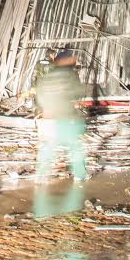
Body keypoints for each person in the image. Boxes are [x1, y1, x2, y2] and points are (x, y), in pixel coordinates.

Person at [33, 48, 88, 183]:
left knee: (48, 146)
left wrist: (44, 108)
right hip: (64, 115)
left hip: (49, 115)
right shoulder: (71, 74)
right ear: (68, 60)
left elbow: (39, 92)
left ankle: (40, 176)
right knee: (75, 145)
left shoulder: (48, 74)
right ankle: (79, 175)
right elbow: (77, 93)